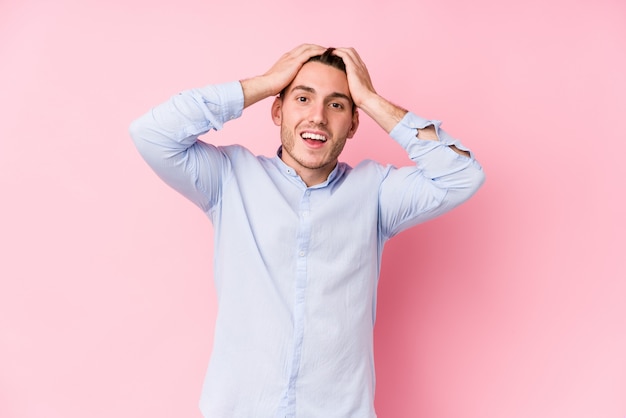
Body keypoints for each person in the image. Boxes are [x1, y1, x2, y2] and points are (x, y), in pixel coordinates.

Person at [130, 44, 485, 418]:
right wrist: (265, 84)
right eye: (302, 98)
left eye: (336, 104)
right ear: (277, 110)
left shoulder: (376, 193)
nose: (317, 117)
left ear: (352, 123)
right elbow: (151, 133)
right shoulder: (228, 178)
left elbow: (463, 175)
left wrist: (370, 98)